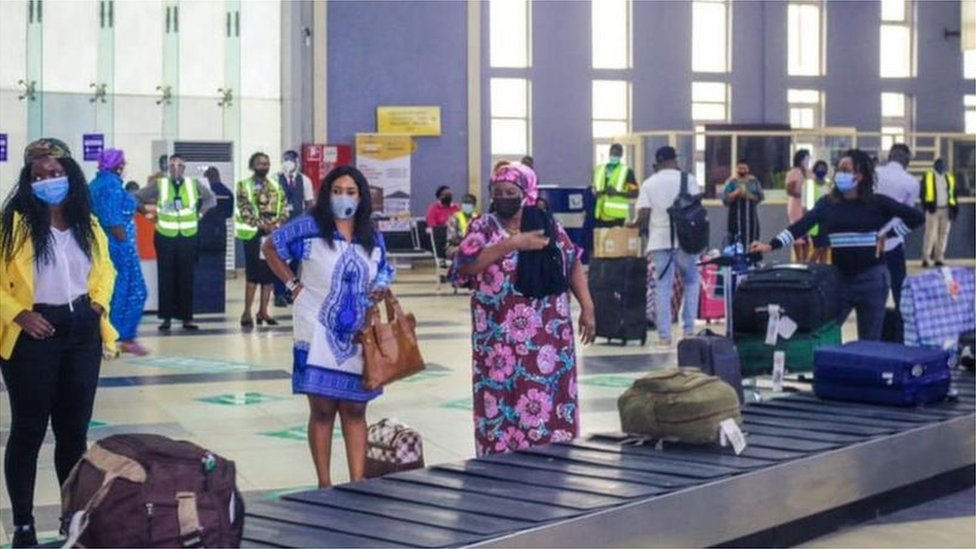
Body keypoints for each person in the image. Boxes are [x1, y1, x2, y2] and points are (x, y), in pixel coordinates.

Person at [0, 139, 118, 548]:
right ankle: (23, 525)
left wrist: (98, 305)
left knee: (73, 434)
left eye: (55, 173)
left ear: (70, 174)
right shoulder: (12, 225)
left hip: (82, 331)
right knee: (29, 430)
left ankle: (73, 519)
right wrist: (19, 314)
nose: (47, 180)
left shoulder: (88, 222)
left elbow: (106, 269)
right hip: (34, 333)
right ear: (27, 180)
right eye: (38, 176)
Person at [262, 166, 394, 487]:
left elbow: (385, 268)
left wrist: (380, 286)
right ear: (326, 194)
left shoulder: (370, 234)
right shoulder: (309, 226)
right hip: (314, 328)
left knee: (355, 409)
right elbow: (270, 247)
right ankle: (324, 485)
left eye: (350, 192)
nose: (343, 198)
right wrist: (292, 285)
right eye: (337, 191)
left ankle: (357, 482)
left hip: (358, 333)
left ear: (361, 197)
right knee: (322, 410)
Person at [454, 163, 596, 456]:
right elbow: (465, 267)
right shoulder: (482, 227)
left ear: (526, 193)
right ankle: (499, 460)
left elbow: (571, 263)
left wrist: (588, 306)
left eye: (511, 192)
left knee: (545, 396)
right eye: (498, 192)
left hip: (547, 337)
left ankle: (550, 457)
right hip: (497, 341)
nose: (504, 198)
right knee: (500, 399)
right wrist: (512, 244)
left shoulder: (546, 224)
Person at [749, 149, 925, 341]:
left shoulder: (877, 203)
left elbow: (916, 217)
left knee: (869, 342)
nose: (841, 174)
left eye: (846, 170)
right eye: (839, 169)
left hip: (872, 280)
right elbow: (801, 226)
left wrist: (889, 234)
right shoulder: (827, 204)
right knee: (825, 333)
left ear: (860, 175)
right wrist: (770, 245)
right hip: (840, 280)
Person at [136, 154, 216, 330]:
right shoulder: (160, 185)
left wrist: (200, 214)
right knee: (166, 277)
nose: (176, 169)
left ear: (184, 168)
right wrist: (148, 215)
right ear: (168, 168)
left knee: (186, 277)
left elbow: (211, 199)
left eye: (179, 165)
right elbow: (136, 197)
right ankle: (166, 318)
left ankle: (187, 317)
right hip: (165, 236)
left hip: (188, 236)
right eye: (172, 165)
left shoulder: (193, 184)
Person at [632, 146, 701, 349]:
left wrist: (633, 224)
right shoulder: (688, 180)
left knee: (663, 287)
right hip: (686, 241)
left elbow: (643, 214)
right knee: (691, 281)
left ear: (657, 163)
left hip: (659, 241)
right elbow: (697, 207)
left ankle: (664, 337)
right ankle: (688, 330)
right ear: (675, 160)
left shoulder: (649, 183)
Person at [89, 148, 149, 356]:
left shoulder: (97, 183)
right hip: (118, 247)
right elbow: (113, 221)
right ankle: (118, 337)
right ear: (119, 165)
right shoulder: (111, 186)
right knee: (131, 291)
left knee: (114, 291)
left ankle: (116, 337)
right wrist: (125, 244)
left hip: (105, 245)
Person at [236, 152, 287, 327]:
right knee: (253, 274)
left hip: (272, 235)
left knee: (269, 274)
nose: (264, 166)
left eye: (266, 163)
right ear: (252, 166)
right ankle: (246, 312)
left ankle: (263, 312)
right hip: (252, 235)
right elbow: (244, 210)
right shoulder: (244, 185)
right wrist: (262, 225)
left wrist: (276, 224)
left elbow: (284, 208)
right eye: (260, 163)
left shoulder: (276, 186)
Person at [875, 144, 918, 308]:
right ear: (907, 160)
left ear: (890, 156)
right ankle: (900, 321)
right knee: (899, 289)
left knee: (874, 289)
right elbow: (908, 215)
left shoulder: (874, 174)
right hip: (893, 241)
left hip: (870, 241)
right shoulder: (911, 182)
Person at [272, 150, 316, 306]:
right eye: (286, 159)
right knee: (280, 258)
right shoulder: (275, 179)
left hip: (297, 227)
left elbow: (309, 204)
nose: (288, 162)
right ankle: (279, 294)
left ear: (297, 162)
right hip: (280, 226)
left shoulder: (304, 180)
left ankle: (290, 291)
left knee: (295, 260)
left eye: (291, 160)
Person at [920, 158, 957, 268]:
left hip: (946, 209)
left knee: (943, 234)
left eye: (942, 164)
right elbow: (923, 192)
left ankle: (939, 257)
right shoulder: (928, 176)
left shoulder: (949, 177)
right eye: (938, 164)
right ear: (934, 165)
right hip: (933, 209)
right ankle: (926, 258)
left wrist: (953, 208)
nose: (941, 166)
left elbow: (953, 194)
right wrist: (926, 206)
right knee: (930, 234)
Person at [591, 143, 638, 227]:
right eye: (612, 153)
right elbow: (593, 188)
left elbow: (635, 193)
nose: (614, 156)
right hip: (599, 214)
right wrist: (596, 193)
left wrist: (617, 193)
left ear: (621, 155)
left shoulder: (627, 172)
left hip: (617, 216)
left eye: (617, 154)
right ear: (609, 153)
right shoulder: (599, 169)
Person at [721, 160, 764, 246]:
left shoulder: (753, 181)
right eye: (740, 168)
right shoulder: (731, 182)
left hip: (751, 218)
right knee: (735, 242)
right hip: (735, 219)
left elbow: (760, 197)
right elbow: (725, 200)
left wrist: (748, 195)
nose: (742, 171)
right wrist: (735, 193)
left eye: (745, 168)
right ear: (736, 169)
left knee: (752, 242)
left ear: (748, 169)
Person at [785, 149, 812, 261]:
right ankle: (798, 259)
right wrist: (803, 194)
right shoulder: (794, 172)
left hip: (808, 205)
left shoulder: (809, 172)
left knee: (807, 235)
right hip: (796, 206)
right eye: (806, 158)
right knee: (798, 235)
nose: (808, 161)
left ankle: (805, 260)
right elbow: (789, 190)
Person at [807, 160, 832, 264]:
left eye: (823, 168)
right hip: (815, 221)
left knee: (825, 248)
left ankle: (823, 269)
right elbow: (807, 205)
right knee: (818, 248)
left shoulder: (828, 184)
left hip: (827, 220)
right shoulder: (810, 184)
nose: (821, 170)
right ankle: (808, 266)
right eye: (819, 168)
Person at [446, 193, 479, 258]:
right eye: (465, 203)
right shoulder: (454, 217)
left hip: (473, 246)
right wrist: (467, 241)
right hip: (455, 246)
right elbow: (453, 238)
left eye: (469, 203)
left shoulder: (477, 218)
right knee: (464, 251)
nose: (466, 205)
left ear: (474, 205)